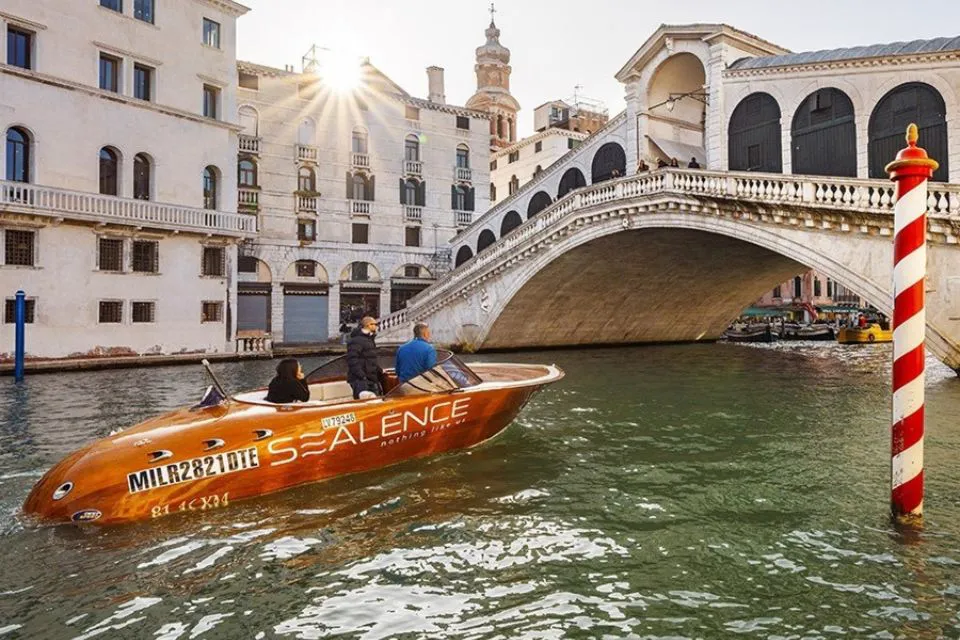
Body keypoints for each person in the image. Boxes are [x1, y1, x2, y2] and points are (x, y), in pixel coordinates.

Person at [347, 316, 383, 399]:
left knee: (375, 401)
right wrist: (362, 375)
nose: (376, 326)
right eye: (375, 324)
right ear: (368, 325)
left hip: (371, 377)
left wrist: (378, 370)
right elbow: (352, 359)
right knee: (362, 402)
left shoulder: (369, 339)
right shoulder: (357, 340)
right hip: (360, 379)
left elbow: (370, 358)